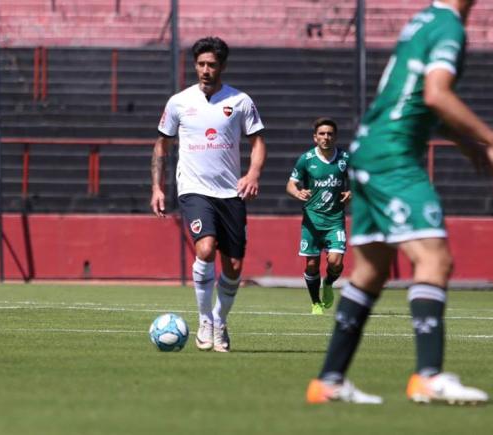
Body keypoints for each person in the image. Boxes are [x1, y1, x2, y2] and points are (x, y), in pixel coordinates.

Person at [306, 0, 493, 404]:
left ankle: (328, 382)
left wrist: (464, 142)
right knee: (435, 257)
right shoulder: (448, 26)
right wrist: (492, 139)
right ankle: (429, 376)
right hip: (391, 158)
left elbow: (412, 96)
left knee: (373, 269)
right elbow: (435, 94)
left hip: (369, 150)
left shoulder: (422, 22)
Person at [150, 36, 267, 353]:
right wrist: (158, 186)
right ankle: (204, 320)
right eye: (200, 64)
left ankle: (219, 320)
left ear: (222, 66)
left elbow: (257, 142)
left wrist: (253, 174)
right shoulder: (179, 102)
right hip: (194, 189)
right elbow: (162, 144)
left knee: (234, 266)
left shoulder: (240, 101)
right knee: (206, 248)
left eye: (211, 64)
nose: (205, 70)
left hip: (231, 192)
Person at [287, 118, 350, 315]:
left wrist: (352, 192)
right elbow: (291, 184)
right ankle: (316, 302)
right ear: (315, 137)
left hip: (335, 221)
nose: (326, 137)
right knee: (312, 264)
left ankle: (329, 283)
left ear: (335, 137)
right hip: (311, 221)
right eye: (322, 134)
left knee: (335, 262)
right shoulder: (306, 159)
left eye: (330, 134)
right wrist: (297, 193)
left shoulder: (345, 159)